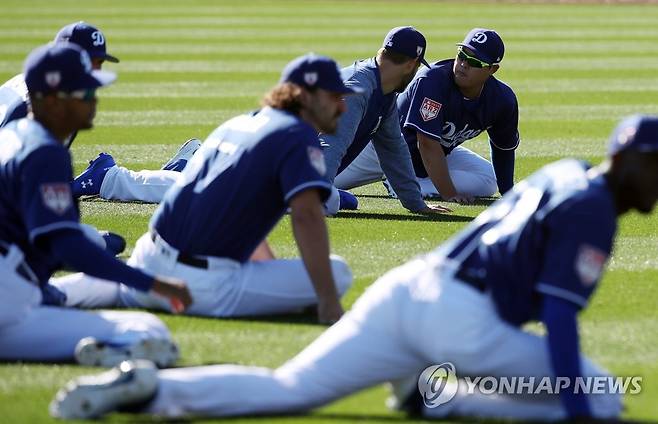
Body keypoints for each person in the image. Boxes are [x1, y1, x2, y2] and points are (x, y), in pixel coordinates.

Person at [50, 114, 658, 421]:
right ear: (627, 161)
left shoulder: (566, 172)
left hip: (406, 291)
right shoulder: (593, 210)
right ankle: (441, 398)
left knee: (292, 388)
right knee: (603, 394)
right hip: (462, 321)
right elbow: (557, 313)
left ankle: (151, 390)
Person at [51, 53, 356, 324]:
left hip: (149, 257)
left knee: (122, 285)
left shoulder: (241, 123)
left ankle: (56, 291)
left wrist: (270, 272)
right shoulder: (297, 134)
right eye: (334, 96)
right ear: (303, 96)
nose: (342, 106)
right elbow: (307, 217)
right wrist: (327, 302)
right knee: (338, 273)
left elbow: (234, 208)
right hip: (204, 287)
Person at [0, 43, 192, 367]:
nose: (95, 101)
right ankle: (117, 370)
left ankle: (52, 302)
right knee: (149, 329)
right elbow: (68, 248)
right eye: (85, 94)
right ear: (51, 101)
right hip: (8, 307)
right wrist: (155, 284)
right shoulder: (45, 151)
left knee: (106, 281)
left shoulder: (13, 136)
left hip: (15, 283)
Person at [0, 21, 141, 255]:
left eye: (99, 63)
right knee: (93, 243)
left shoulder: (39, 85)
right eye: (90, 61)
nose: (96, 71)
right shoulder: (46, 107)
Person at [335, 28, 520, 204]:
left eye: (474, 62)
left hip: (439, 152)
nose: (463, 64)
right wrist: (450, 194)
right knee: (322, 183)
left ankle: (415, 185)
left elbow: (503, 148)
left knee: (488, 179)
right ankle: (400, 183)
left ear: (492, 69)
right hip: (382, 149)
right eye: (462, 55)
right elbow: (425, 143)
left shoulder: (502, 100)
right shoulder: (433, 80)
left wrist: (509, 195)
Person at [321, 26, 450, 215]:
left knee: (345, 200)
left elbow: (393, 149)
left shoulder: (384, 90)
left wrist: (417, 204)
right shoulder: (357, 90)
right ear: (411, 64)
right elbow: (331, 145)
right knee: (328, 201)